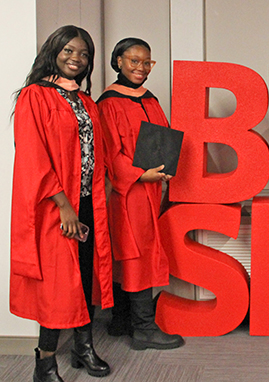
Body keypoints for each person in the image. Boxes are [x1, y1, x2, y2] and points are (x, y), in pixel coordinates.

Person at [11, 25, 113, 381]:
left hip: (89, 201)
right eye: (69, 50)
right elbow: (33, 156)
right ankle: (45, 362)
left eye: (84, 54)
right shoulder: (34, 96)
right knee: (57, 284)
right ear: (53, 51)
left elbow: (98, 151)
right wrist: (63, 205)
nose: (76, 58)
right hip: (56, 205)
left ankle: (83, 348)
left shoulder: (85, 100)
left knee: (84, 275)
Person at [97, 37, 184, 350]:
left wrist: (167, 166)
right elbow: (111, 154)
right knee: (136, 253)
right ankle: (144, 329)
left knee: (129, 251)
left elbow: (163, 139)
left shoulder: (149, 98)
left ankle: (121, 320)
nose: (141, 67)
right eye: (134, 60)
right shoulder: (109, 102)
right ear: (118, 60)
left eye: (146, 62)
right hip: (129, 192)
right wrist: (139, 175)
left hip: (151, 187)